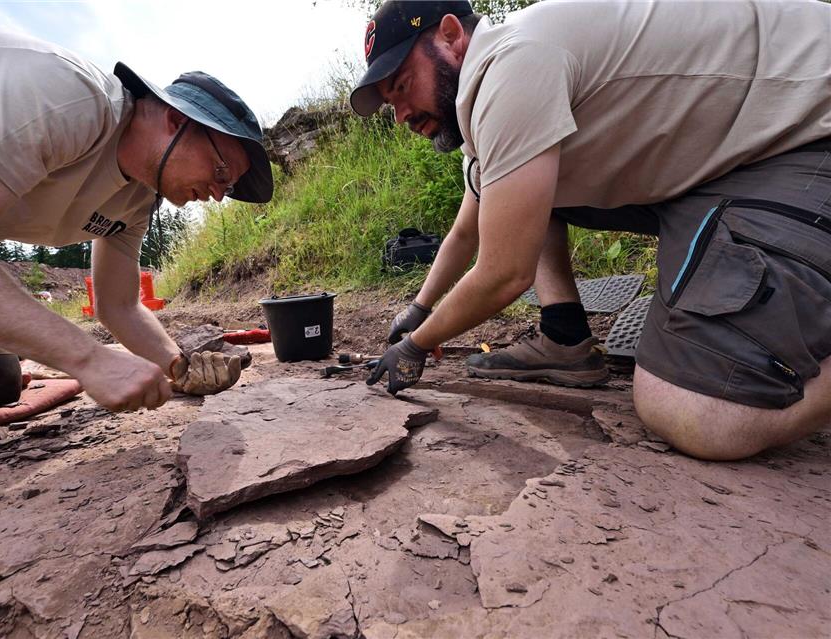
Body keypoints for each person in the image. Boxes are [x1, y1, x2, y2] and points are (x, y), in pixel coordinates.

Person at [352, 0, 831, 460]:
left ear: (452, 36)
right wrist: (417, 310)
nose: (400, 116)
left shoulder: (513, 65)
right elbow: (466, 232)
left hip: (801, 132)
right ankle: (566, 341)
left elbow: (503, 272)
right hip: (719, 157)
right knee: (523, 197)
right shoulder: (495, 96)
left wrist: (413, 349)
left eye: (402, 85)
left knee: (696, 412)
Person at [0, 19, 273, 441]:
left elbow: (119, 306)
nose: (216, 193)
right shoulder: (66, 95)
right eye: (220, 170)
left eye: (226, 188)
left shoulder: (138, 197)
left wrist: (179, 367)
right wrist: (88, 359)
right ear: (175, 119)